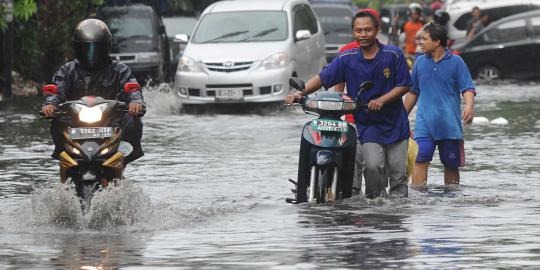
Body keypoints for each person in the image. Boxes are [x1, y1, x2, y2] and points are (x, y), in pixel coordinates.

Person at [285, 11, 412, 199]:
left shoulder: (394, 55)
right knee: (372, 166)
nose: (363, 34)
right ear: (353, 32)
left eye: (368, 30)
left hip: (395, 123)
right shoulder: (347, 58)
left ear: (377, 30)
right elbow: (323, 77)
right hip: (368, 124)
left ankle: (397, 217)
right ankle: (375, 204)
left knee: (397, 176)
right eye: (358, 30)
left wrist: (382, 100)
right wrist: (300, 93)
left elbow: (404, 85)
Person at [41, 18, 145, 165]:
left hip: (110, 123)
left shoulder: (120, 70)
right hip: (75, 123)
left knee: (131, 118)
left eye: (97, 49)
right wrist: (50, 104)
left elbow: (132, 87)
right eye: (87, 49)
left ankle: (123, 157)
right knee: (58, 120)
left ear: (106, 48)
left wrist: (136, 102)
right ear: (78, 49)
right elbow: (57, 89)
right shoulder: (67, 70)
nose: (92, 54)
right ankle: (63, 155)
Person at [404, 23, 475, 187]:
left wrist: (469, 106)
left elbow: (467, 88)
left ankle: (451, 202)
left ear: (437, 42)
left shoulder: (457, 62)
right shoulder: (420, 62)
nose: (420, 42)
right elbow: (413, 92)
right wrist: (401, 116)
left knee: (451, 165)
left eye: (424, 39)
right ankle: (419, 200)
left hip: (450, 127)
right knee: (420, 161)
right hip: (424, 126)